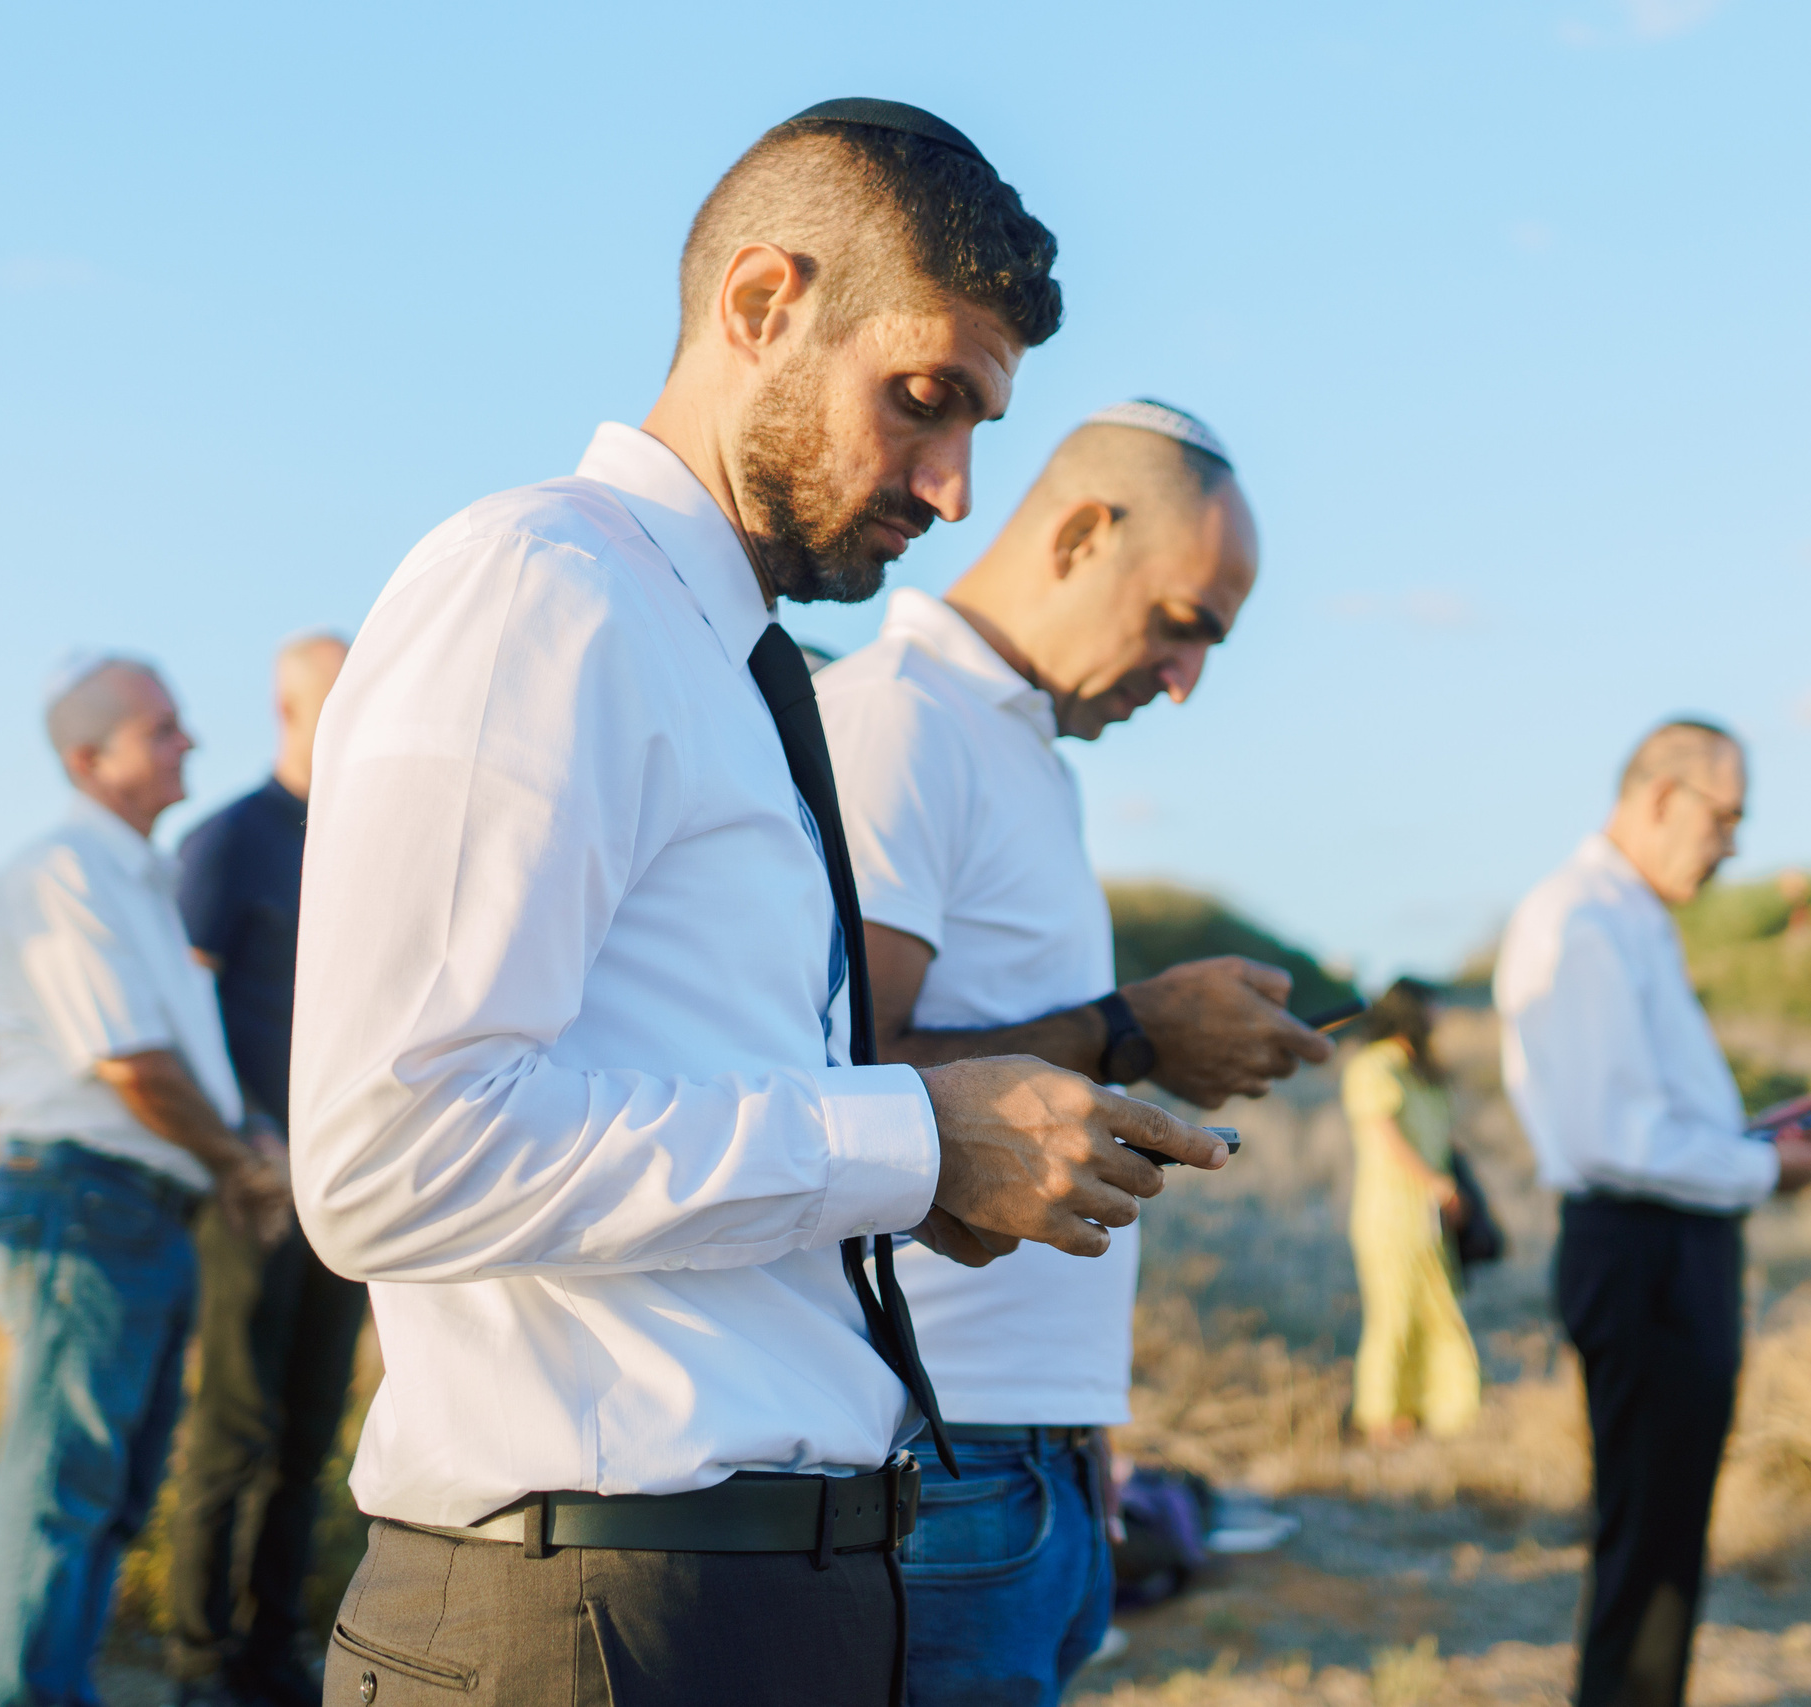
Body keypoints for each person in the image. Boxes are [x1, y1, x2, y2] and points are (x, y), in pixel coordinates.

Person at [287, 100, 1228, 1707]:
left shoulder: (726, 659)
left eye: (982, 429)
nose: (951, 490)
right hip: (589, 1614)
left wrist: (918, 1170)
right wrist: (912, 1139)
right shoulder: (540, 586)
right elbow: (392, 1151)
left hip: (756, 1591)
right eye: (927, 401)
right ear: (760, 305)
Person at [817, 399, 1329, 1705]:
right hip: (938, 1449)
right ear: (1084, 532)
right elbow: (844, 1066)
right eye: (1180, 622)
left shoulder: (1019, 747)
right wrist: (1136, 1024)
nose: (1186, 677)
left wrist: (1083, 1415)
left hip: (1026, 1445)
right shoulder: (897, 719)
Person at [0, 656, 291, 1707]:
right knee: (62, 1494)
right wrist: (241, 1166)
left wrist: (244, 1152)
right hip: (84, 1207)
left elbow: (182, 1066)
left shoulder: (142, 881)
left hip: (142, 1216)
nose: (188, 741)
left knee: (110, 1496)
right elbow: (133, 1064)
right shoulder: (60, 872)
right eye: (161, 728)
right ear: (86, 758)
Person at [1492, 720, 1811, 1707]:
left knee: (1666, 1532)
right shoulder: (1581, 920)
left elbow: (1649, 1118)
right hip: (1641, 1248)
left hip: (1666, 1244)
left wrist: (1745, 1141)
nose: (1732, 844)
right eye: (1723, 817)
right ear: (1654, 796)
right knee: (1648, 1539)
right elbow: (1611, 1138)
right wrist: (1762, 1172)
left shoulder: (1627, 916)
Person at [167, 633, 363, 1707]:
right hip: (252, 1191)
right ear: (288, 709)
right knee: (232, 1432)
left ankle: (272, 1654)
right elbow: (185, 1008)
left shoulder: (371, 836)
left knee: (310, 1431)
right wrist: (248, 1139)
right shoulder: (228, 842)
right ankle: (199, 1664)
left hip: (350, 1192)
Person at [1341, 978, 1481, 1443]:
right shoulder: (1372, 1067)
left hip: (1428, 1215)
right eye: (1432, 1007)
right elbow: (1384, 1132)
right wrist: (1435, 1183)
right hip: (1389, 1211)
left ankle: (1439, 1412)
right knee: (1393, 1313)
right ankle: (1380, 1417)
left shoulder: (1421, 1071)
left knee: (1436, 1308)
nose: (1439, 1017)